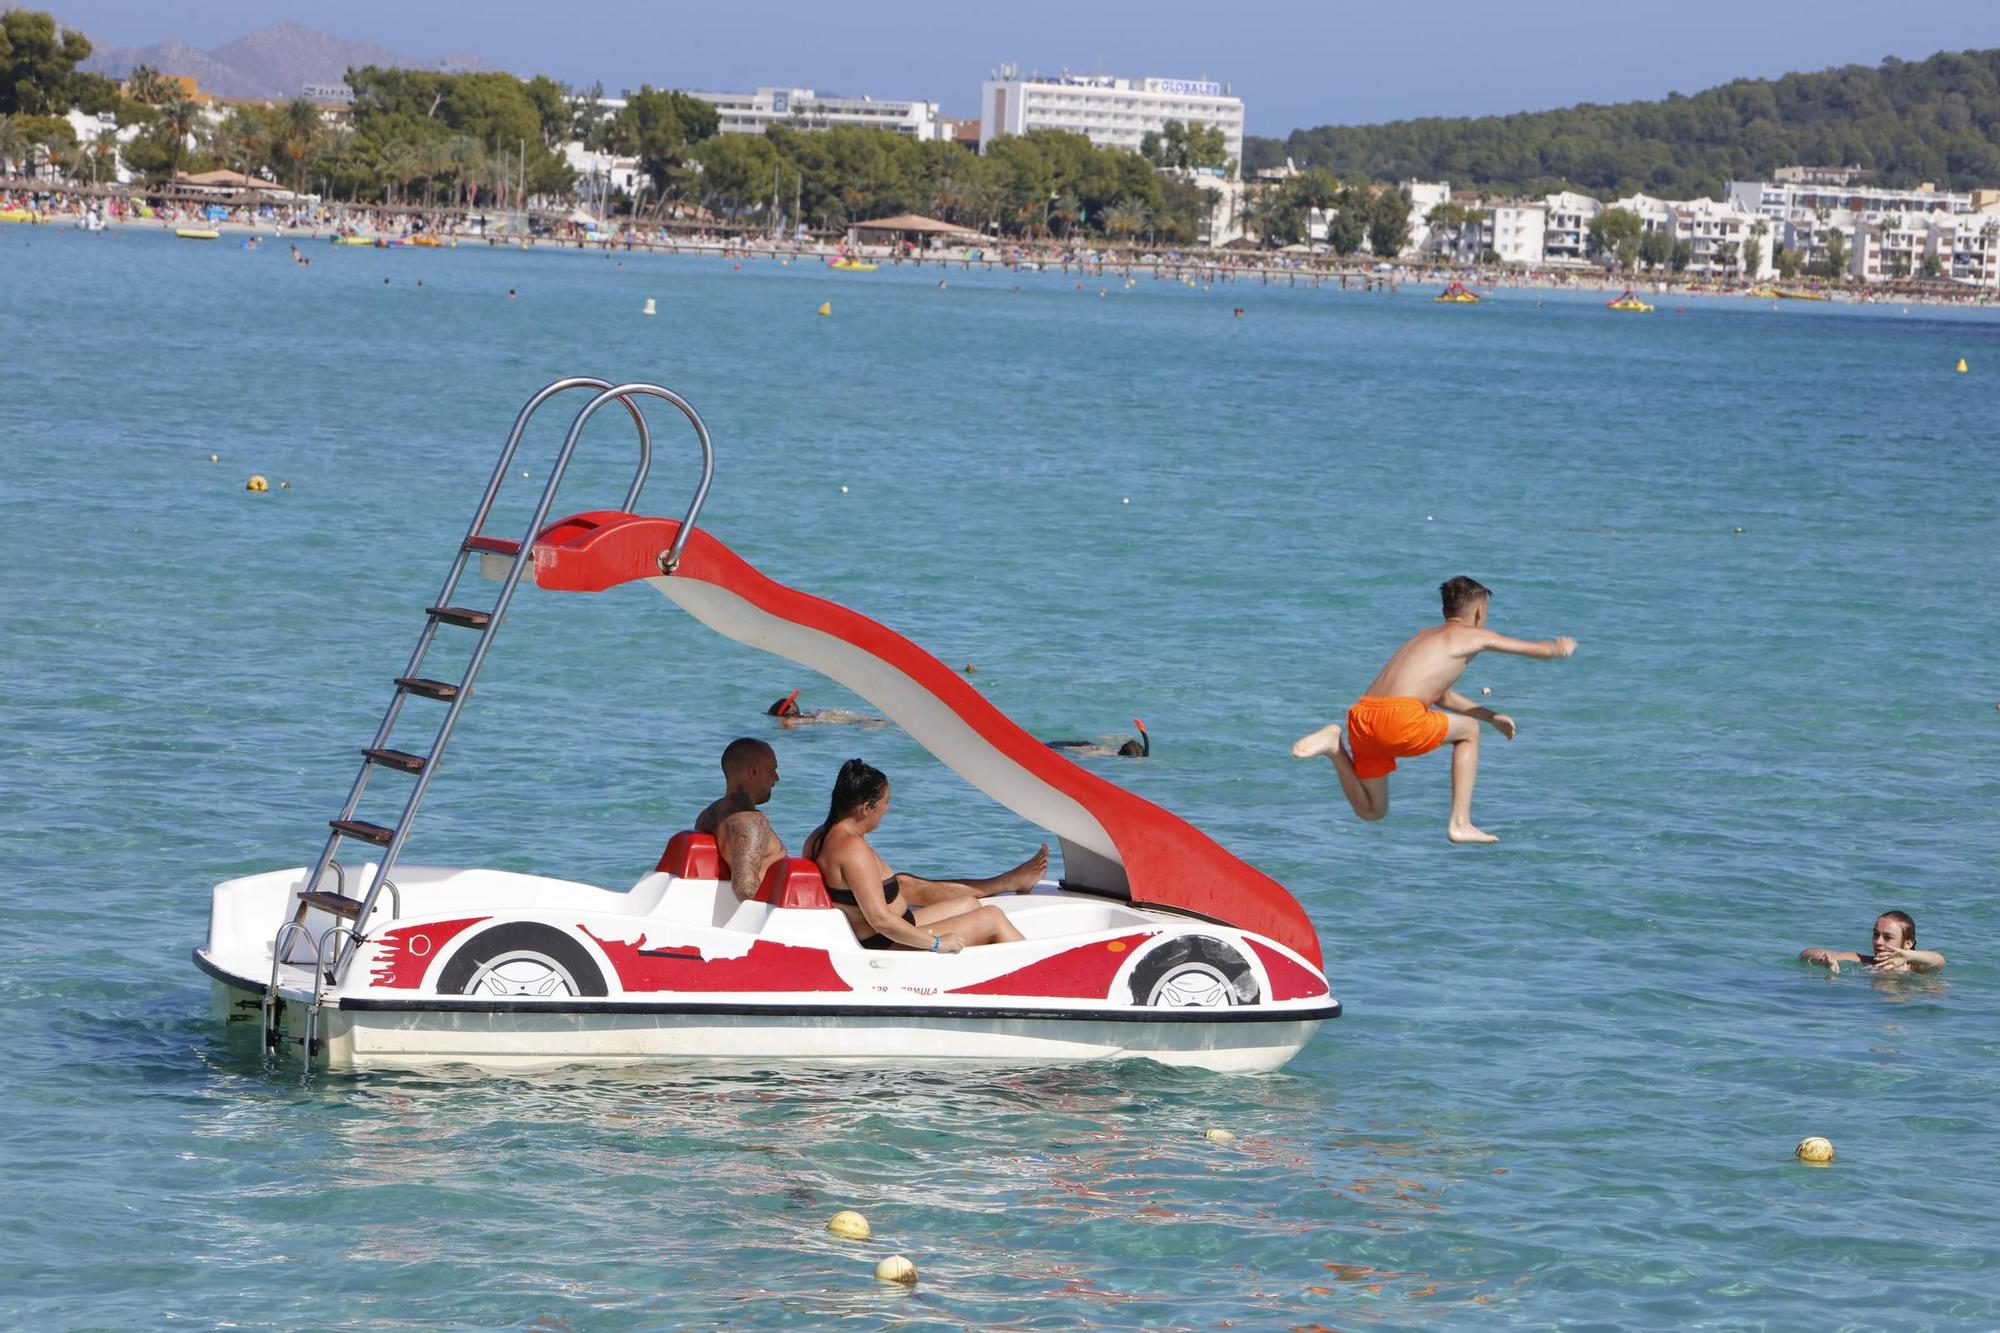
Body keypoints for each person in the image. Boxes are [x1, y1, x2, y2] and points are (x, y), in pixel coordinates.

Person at [1292, 576, 1577, 843]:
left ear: (1445, 609)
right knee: (1469, 732)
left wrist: (1491, 716)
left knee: (1372, 811)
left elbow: (1441, 697)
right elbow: (1537, 650)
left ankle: (1333, 747)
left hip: (1363, 717)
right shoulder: (1471, 636)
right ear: (1479, 612)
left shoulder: (1423, 637)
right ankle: (1460, 822)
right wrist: (1559, 647)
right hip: (1399, 717)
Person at [804, 759, 1043, 952]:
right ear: (866, 808)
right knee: (993, 917)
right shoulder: (852, 849)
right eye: (885, 802)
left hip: (895, 931)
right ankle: (1040, 973)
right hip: (888, 945)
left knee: (969, 904)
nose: (887, 809)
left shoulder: (819, 836)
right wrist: (937, 943)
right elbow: (881, 920)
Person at [693, 738, 787, 902]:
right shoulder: (752, 821)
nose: (776, 778)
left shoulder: (708, 815)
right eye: (772, 770)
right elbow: (746, 889)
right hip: (764, 921)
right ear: (753, 771)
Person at [1800, 912, 1946, 974]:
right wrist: (1824, 962)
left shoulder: (1916, 969)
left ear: (1907, 944)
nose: (1878, 942)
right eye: (1876, 934)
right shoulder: (1866, 962)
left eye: (1887, 937)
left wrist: (1908, 956)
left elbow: (1939, 961)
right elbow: (1806, 953)